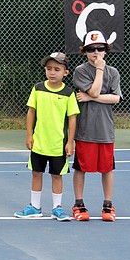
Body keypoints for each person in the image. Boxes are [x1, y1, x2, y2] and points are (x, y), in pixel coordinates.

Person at [15, 52, 79, 221]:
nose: (52, 72)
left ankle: (57, 208)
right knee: (36, 173)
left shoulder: (68, 93)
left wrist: (70, 142)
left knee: (57, 176)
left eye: (57, 69)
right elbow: (31, 112)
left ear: (65, 72)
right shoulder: (38, 88)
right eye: (49, 68)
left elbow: (72, 118)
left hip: (58, 144)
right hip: (39, 143)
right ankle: (35, 207)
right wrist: (29, 135)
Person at [70, 31, 122, 221]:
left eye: (100, 48)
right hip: (85, 130)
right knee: (80, 168)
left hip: (105, 130)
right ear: (85, 52)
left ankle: (108, 205)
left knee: (107, 168)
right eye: (91, 49)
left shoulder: (113, 72)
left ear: (106, 50)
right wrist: (99, 70)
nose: (96, 53)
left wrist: (91, 97)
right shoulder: (80, 71)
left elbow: (115, 98)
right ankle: (79, 204)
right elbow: (94, 88)